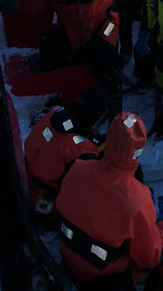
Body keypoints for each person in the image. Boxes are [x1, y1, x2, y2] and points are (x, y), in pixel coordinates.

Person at [55, 112, 163, 291]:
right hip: (101, 277)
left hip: (69, 254)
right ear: (139, 151)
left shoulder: (78, 167)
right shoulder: (136, 200)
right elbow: (149, 259)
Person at [23, 87, 109, 217]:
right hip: (45, 202)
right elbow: (82, 190)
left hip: (29, 171)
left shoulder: (54, 111)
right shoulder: (81, 152)